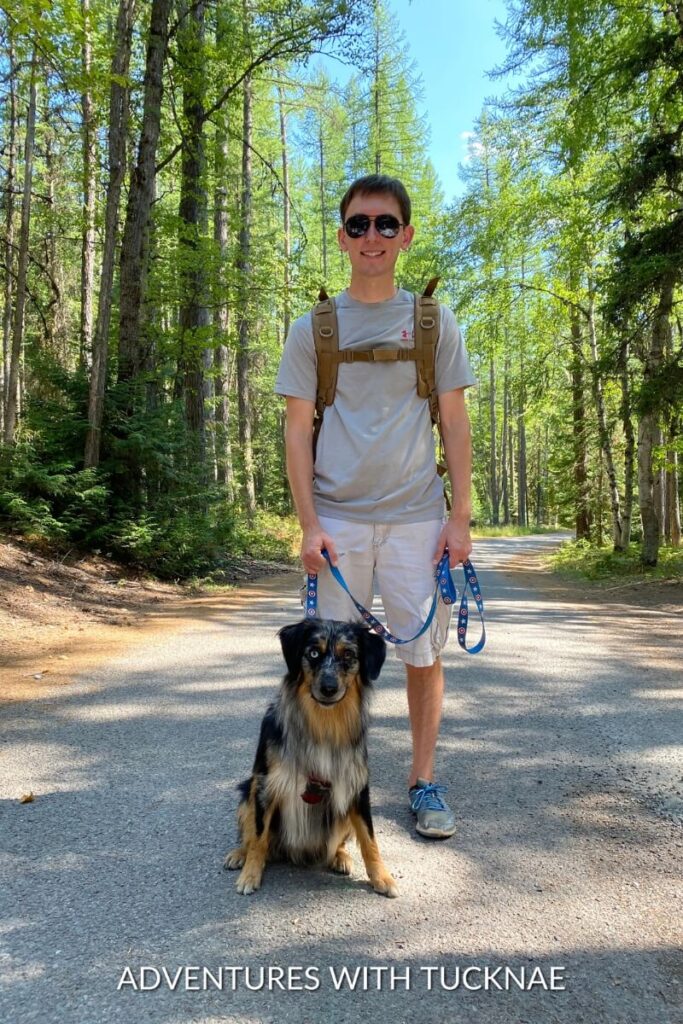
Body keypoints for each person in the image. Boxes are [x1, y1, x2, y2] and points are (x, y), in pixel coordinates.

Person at [274, 174, 476, 839]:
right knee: (327, 666)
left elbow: (453, 418)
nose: (372, 237)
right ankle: (328, 792)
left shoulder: (432, 322)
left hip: (418, 519)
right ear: (342, 237)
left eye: (385, 224)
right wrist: (308, 525)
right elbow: (298, 430)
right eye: (358, 225)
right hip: (336, 522)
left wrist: (459, 518)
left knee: (421, 655)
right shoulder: (313, 329)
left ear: (405, 235)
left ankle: (421, 782)